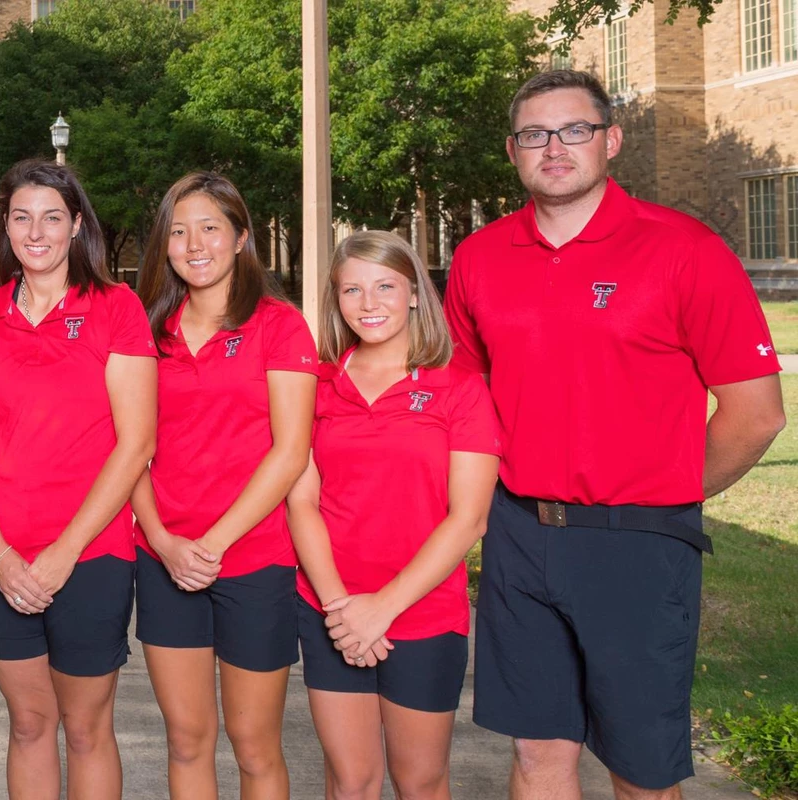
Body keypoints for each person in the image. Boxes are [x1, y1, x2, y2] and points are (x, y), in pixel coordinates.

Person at [445, 70, 785, 800]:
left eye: (575, 130)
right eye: (535, 133)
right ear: (513, 151)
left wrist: (664, 496)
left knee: (641, 768)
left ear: (612, 141)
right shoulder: (478, 258)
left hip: (639, 545)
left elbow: (756, 415)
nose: (555, 147)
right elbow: (465, 400)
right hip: (519, 537)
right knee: (539, 755)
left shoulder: (684, 250)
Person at [0, 159, 157, 799]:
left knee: (87, 726)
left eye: (51, 218)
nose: (35, 232)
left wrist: (64, 554)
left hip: (90, 553)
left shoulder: (117, 308)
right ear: (5, 227)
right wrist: (3, 555)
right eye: (21, 217)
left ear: (75, 228)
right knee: (29, 722)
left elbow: (136, 443)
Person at [286, 231, 500, 800]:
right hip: (330, 608)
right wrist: (339, 610)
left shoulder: (459, 388)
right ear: (336, 299)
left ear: (413, 293)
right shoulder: (319, 385)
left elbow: (469, 518)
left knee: (420, 781)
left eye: (384, 286)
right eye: (352, 289)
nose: (368, 303)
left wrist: (381, 608)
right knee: (350, 780)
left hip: (422, 612)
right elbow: (301, 500)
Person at [131, 172, 316, 800]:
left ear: (241, 237)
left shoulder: (280, 326)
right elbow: (130, 449)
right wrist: (163, 540)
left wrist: (210, 545)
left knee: (255, 744)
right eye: (178, 232)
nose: (194, 243)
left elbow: (290, 453)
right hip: (163, 559)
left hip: (253, 559)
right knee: (186, 738)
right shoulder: (146, 332)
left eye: (210, 227)